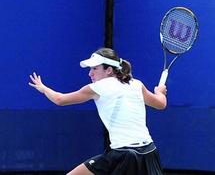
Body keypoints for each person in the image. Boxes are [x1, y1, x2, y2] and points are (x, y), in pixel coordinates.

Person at [29, 47, 167, 175]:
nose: (90, 73)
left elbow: (60, 99)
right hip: (149, 153)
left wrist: (43, 88)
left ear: (109, 70)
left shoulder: (98, 87)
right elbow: (161, 104)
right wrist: (160, 92)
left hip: (124, 155)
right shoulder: (136, 84)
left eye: (95, 68)